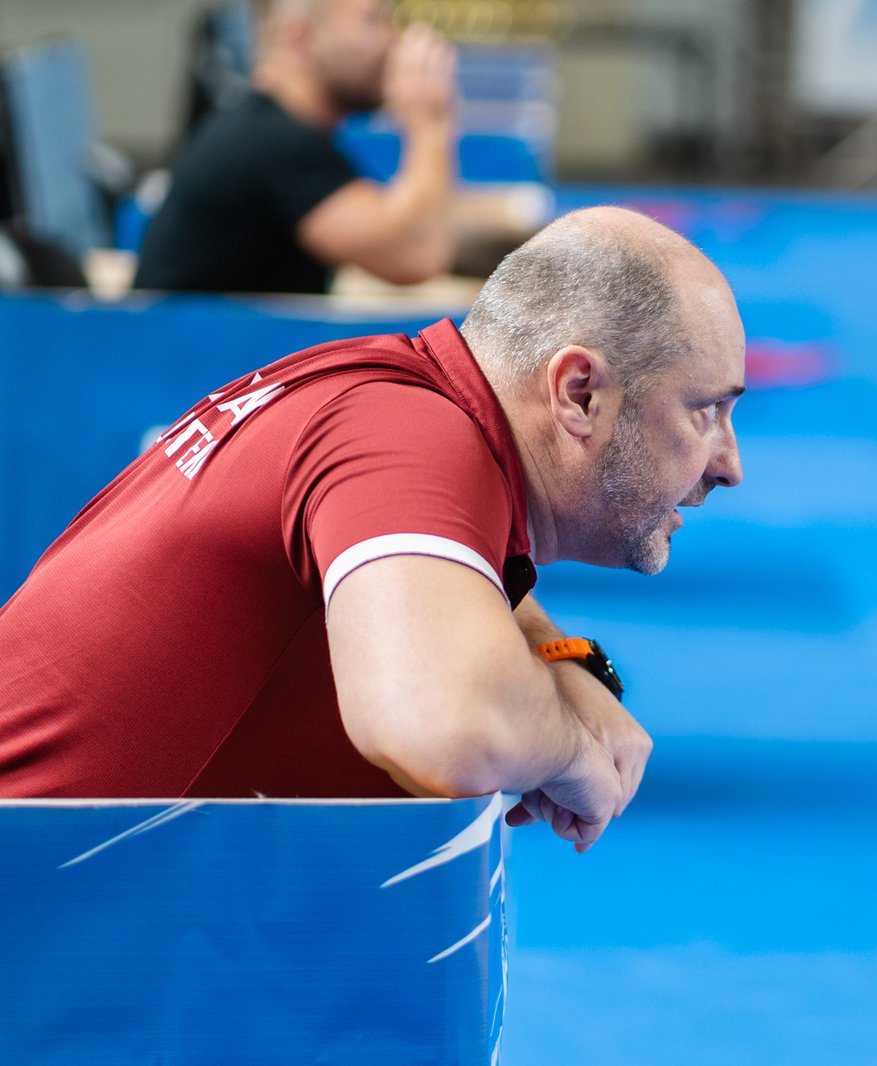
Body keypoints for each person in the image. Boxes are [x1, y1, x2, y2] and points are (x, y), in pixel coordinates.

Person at [0, 207, 746, 853]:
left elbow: (464, 585)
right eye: (706, 411)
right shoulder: (408, 435)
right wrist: (575, 750)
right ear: (579, 393)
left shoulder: (399, 395)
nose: (730, 465)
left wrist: (565, 662)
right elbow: (444, 721)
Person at [133, 0, 456, 295]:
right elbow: (415, 253)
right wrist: (429, 122)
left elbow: (407, 225)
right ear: (302, 39)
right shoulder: (271, 143)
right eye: (372, 21)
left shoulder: (267, 130)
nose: (392, 41)